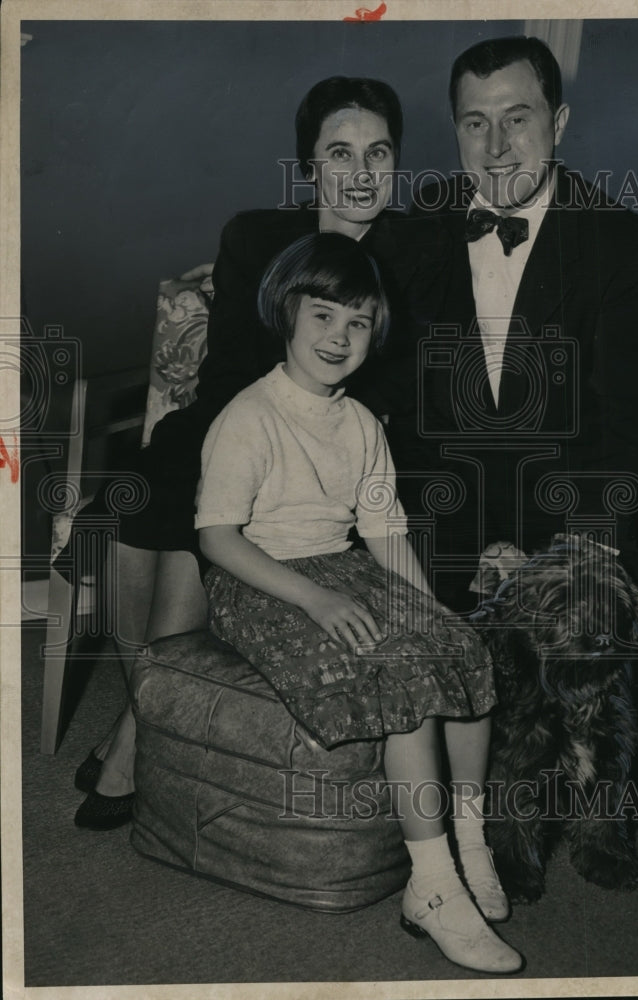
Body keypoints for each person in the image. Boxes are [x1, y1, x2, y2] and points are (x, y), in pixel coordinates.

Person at [73, 76, 449, 829]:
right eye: (339, 154)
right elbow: (226, 375)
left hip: (350, 441)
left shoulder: (423, 248)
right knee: (151, 492)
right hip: (241, 417)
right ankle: (153, 712)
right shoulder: (254, 236)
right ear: (309, 166)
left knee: (206, 509)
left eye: (378, 152)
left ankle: (135, 738)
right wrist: (253, 442)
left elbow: (405, 384)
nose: (361, 173)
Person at [196, 232, 524, 976]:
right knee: (401, 679)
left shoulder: (362, 423)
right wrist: (313, 599)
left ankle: (468, 846)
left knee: (458, 646)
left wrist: (426, 614)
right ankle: (432, 888)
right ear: (286, 312)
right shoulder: (249, 416)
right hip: (262, 579)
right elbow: (217, 538)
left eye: (357, 322)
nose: (339, 338)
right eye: (323, 317)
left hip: (340, 567)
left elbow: (383, 530)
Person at [392, 35, 638, 612]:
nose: (496, 146)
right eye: (475, 123)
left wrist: (549, 558)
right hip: (443, 521)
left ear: (561, 122)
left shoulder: (625, 246)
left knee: (575, 679)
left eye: (517, 118)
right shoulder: (426, 218)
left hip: (575, 528)